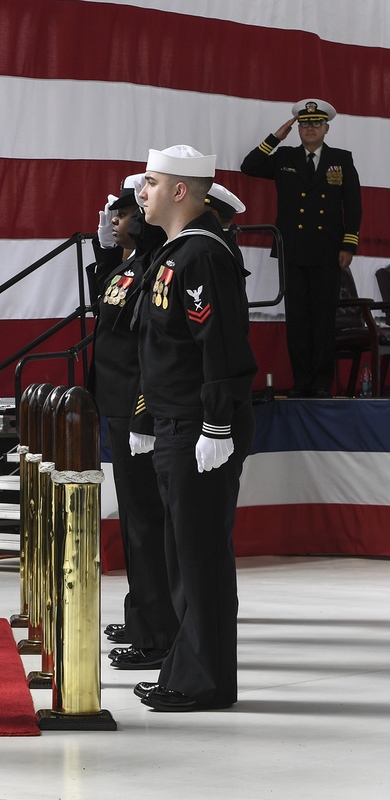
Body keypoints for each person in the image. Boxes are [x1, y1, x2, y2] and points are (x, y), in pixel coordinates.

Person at [129, 146, 257, 712]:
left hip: (199, 427)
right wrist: (146, 417)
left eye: (152, 183)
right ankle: (188, 669)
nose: (142, 193)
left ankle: (203, 681)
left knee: (200, 556)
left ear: (181, 191)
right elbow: (160, 347)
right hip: (175, 422)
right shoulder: (176, 253)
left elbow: (218, 347)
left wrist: (215, 424)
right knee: (183, 555)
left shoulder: (202, 255)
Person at [91, 177, 177, 669]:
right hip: (117, 406)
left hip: (137, 411)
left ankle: (157, 633)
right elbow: (108, 311)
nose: (115, 221)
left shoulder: (156, 263)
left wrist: (143, 414)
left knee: (146, 523)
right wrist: (106, 253)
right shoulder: (130, 264)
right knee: (136, 522)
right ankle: (143, 615)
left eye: (123, 214)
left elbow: (147, 345)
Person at [241, 98, 362, 398]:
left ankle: (321, 384)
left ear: (326, 128)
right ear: (298, 129)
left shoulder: (341, 159)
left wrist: (349, 244)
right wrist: (275, 137)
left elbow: (354, 205)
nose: (310, 128)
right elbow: (249, 166)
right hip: (292, 251)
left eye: (316, 124)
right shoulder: (284, 158)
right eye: (305, 124)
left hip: (328, 251)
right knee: (297, 320)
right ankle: (301, 383)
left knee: (323, 319)